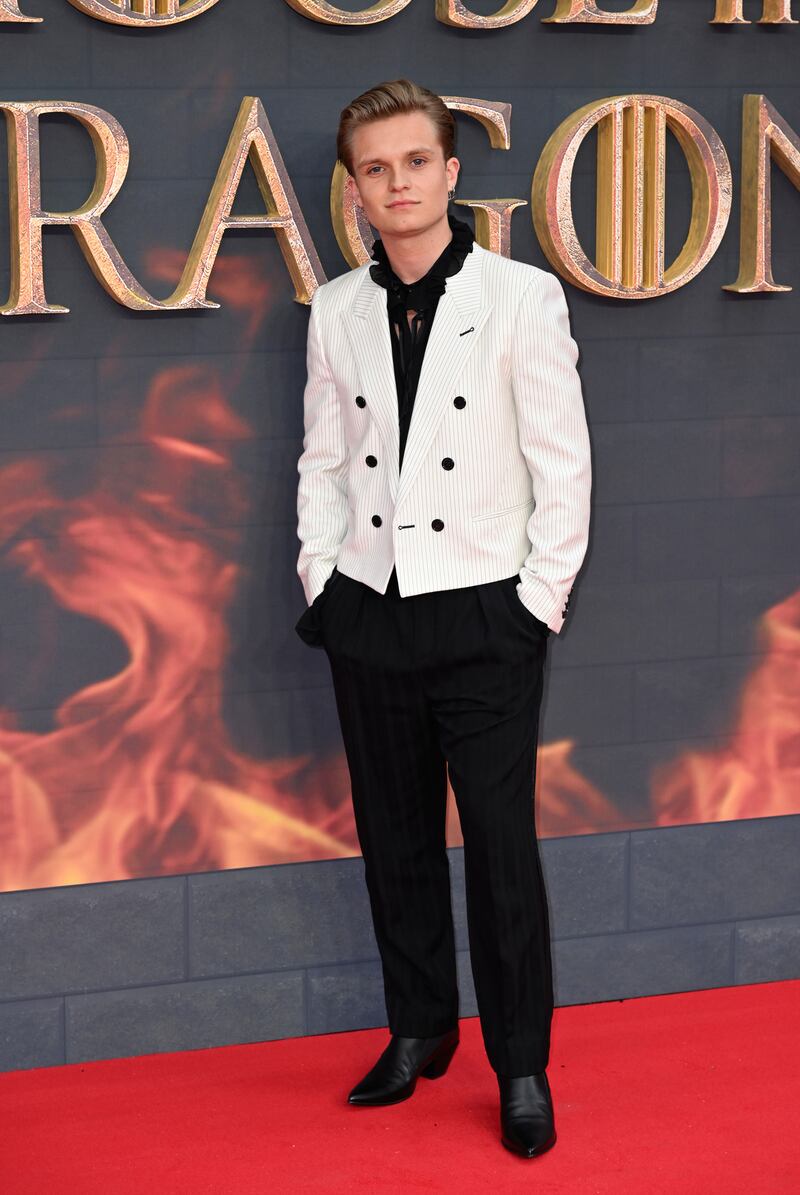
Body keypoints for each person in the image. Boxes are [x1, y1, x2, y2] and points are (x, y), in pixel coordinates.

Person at [295, 78, 592, 1159]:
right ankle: (418, 1027)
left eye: (414, 161)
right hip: (370, 609)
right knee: (395, 842)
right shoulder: (335, 309)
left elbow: (563, 465)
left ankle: (520, 1065)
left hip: (482, 614)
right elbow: (321, 460)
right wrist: (320, 577)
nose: (398, 183)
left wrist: (533, 604)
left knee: (501, 851)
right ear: (357, 190)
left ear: (449, 173)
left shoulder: (522, 297)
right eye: (376, 169)